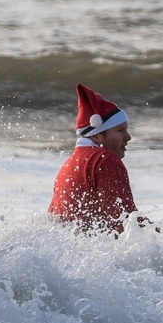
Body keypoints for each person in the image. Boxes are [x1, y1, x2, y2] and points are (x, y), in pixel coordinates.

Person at [48, 84, 138, 234]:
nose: (128, 137)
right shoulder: (104, 159)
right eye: (120, 130)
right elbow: (126, 223)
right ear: (96, 135)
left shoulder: (70, 163)